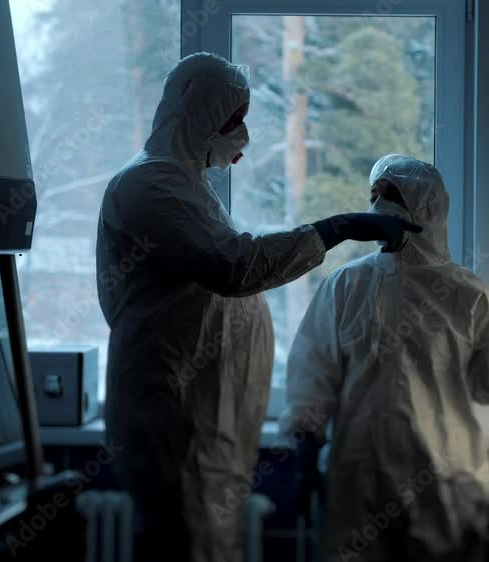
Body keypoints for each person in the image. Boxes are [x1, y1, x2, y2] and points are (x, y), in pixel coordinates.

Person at [95, 53, 420, 562]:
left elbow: (231, 257)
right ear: (198, 114)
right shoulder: (152, 186)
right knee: (189, 547)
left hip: (204, 421)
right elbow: (235, 266)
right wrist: (337, 228)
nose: (242, 136)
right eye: (233, 120)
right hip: (176, 420)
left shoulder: (185, 186)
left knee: (205, 545)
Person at [279, 154, 489, 561]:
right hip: (360, 477)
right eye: (373, 195)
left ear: (424, 206)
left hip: (442, 478)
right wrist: (305, 453)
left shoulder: (466, 293)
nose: (377, 205)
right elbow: (313, 375)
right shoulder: (347, 284)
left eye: (390, 194)